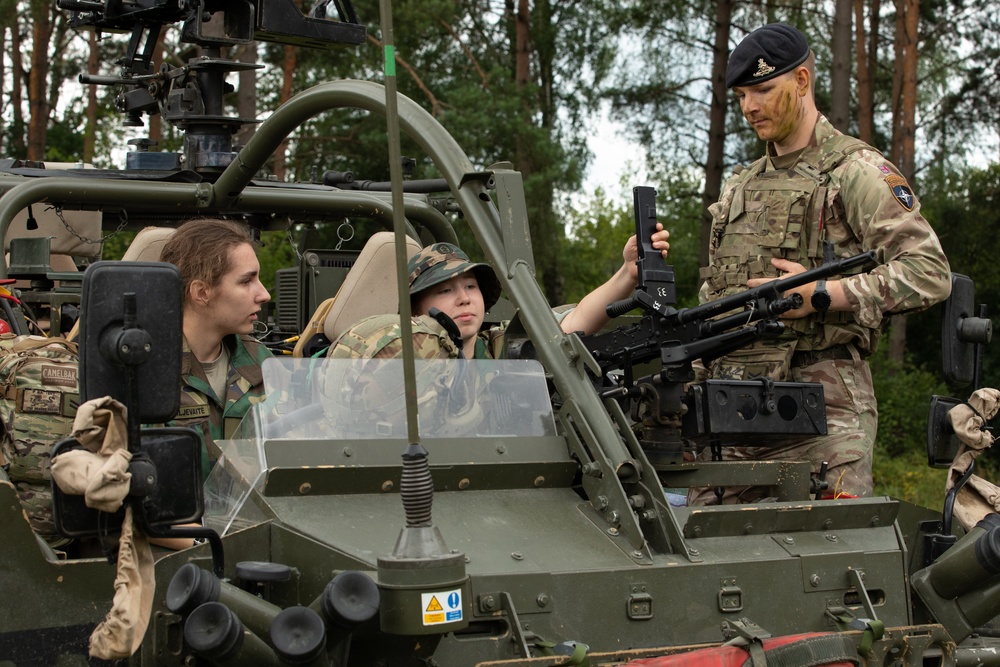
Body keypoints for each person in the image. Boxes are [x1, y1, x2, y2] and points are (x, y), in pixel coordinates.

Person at [690, 23, 951, 503]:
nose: (749, 106)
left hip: (823, 419)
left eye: (764, 89)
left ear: (803, 81)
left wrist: (824, 296)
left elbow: (930, 273)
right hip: (732, 421)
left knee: (826, 565)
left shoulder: (855, 171)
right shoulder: (737, 188)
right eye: (743, 95)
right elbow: (716, 298)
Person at [158, 218, 272, 478]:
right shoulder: (149, 371)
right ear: (201, 293)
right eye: (246, 281)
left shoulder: (262, 361)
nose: (264, 294)